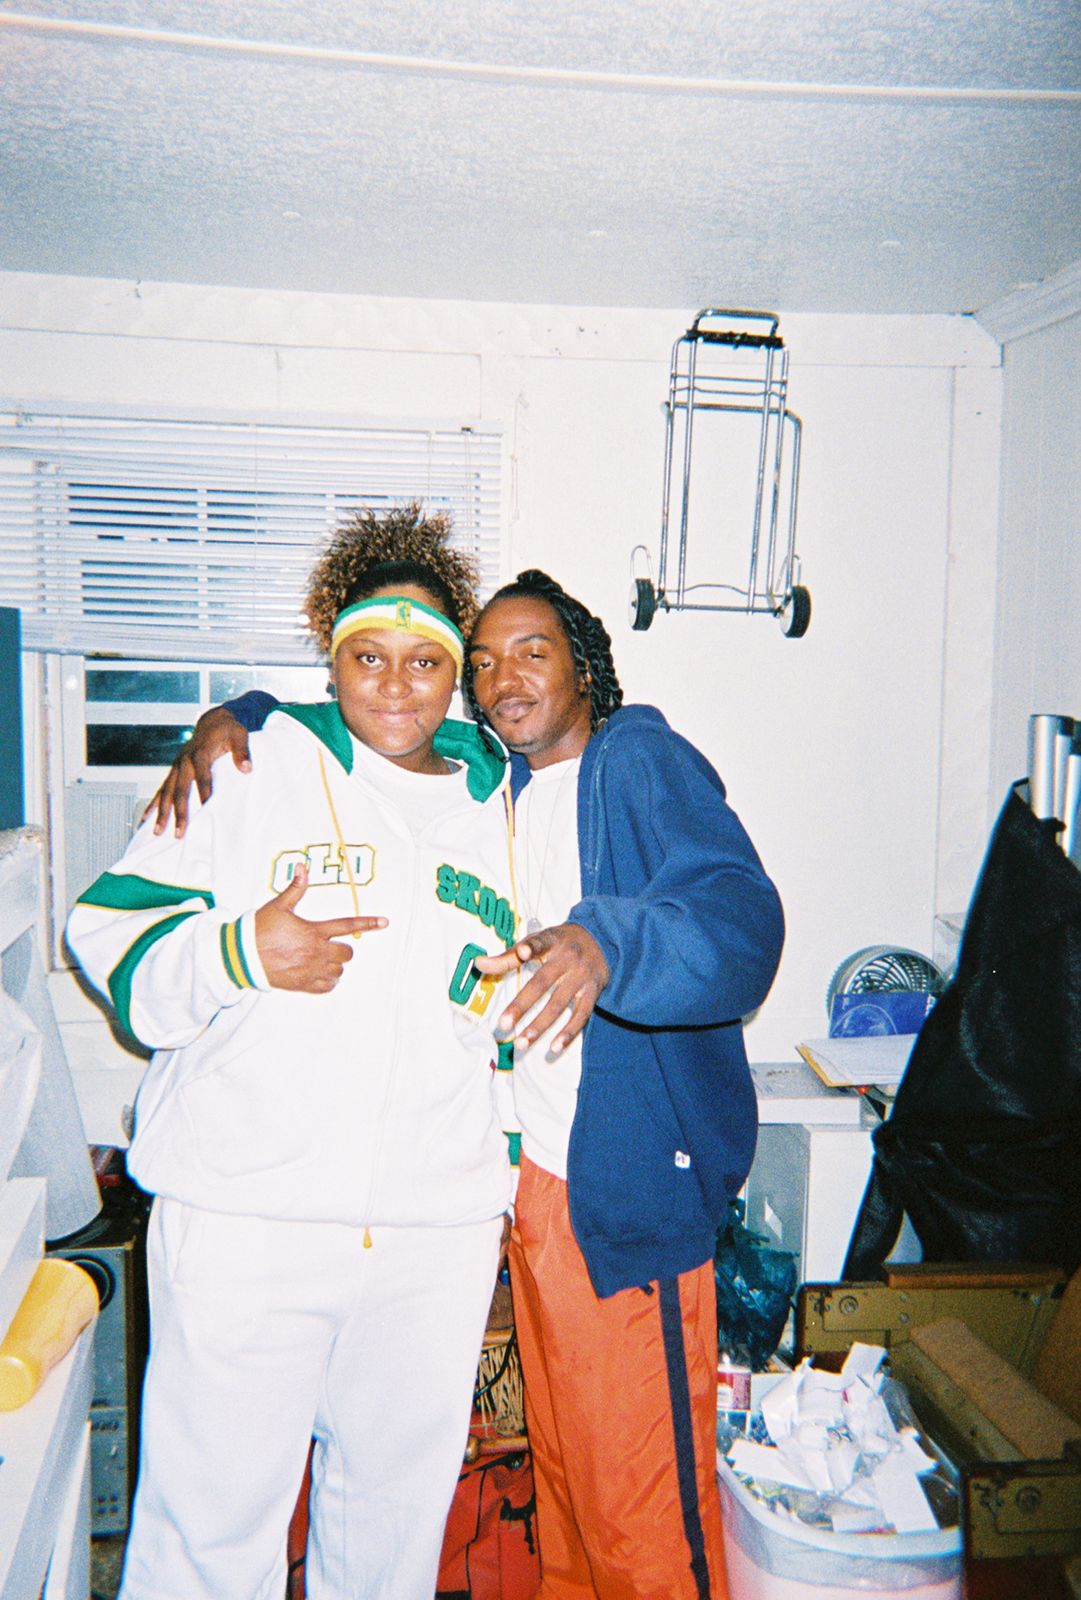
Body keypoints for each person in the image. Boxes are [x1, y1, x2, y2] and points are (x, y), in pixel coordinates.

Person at [157, 568, 784, 1600]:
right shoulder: (501, 785)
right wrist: (243, 712)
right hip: (532, 1190)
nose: (503, 678)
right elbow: (372, 713)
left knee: (638, 1506)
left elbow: (740, 918)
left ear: (585, 668)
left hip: (622, 1193)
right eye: (483, 662)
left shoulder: (636, 759)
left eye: (531, 651)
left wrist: (608, 942)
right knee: (565, 1487)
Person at [67, 506, 518, 1600]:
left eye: (424, 661)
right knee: (209, 1529)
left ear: (456, 673)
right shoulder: (251, 763)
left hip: (431, 1235)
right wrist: (239, 951)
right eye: (368, 657)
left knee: (393, 1525)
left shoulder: (505, 800)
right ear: (332, 657)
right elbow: (109, 934)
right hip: (246, 1219)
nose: (396, 685)